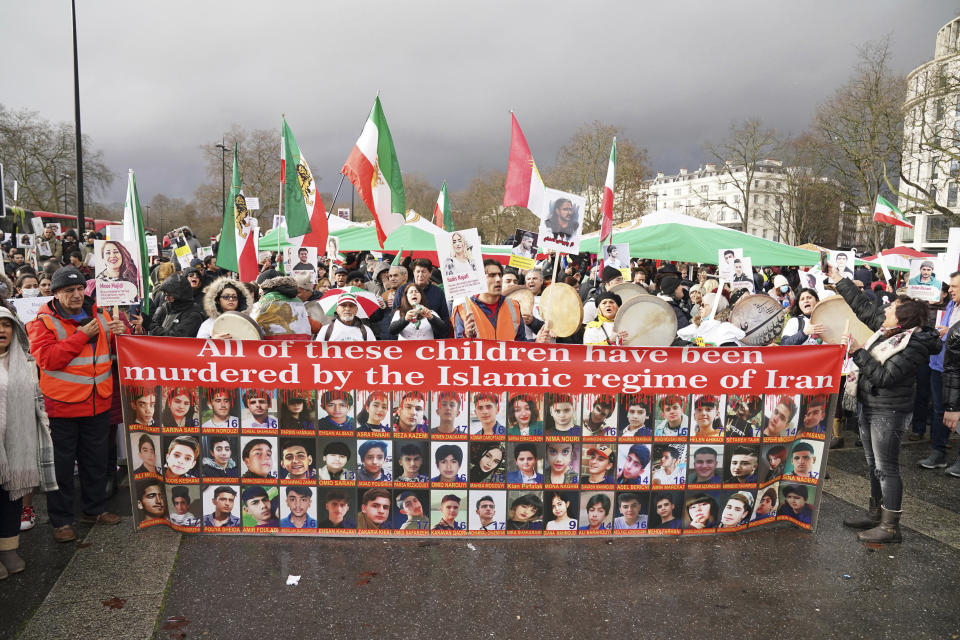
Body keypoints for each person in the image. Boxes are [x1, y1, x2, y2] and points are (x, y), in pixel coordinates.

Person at [830, 266, 940, 543]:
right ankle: (875, 513)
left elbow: (885, 377)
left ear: (902, 320)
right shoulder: (887, 331)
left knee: (886, 466)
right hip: (870, 404)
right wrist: (839, 280)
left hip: (887, 410)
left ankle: (890, 527)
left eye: (891, 309)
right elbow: (864, 309)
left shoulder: (913, 344)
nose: (886, 310)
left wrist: (857, 351)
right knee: (873, 464)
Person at [28, 266, 126, 542]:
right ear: (56, 293)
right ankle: (61, 521)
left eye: (80, 289)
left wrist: (122, 332)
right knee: (61, 467)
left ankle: (93, 510)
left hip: (98, 403)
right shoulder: (43, 322)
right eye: (69, 290)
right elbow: (48, 360)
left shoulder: (101, 313)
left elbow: (115, 351)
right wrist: (82, 335)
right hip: (62, 406)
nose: (76, 294)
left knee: (94, 462)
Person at [0, 306, 56, 577]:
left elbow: (37, 401)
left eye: (6, 324)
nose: (2, 330)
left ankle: (9, 549)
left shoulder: (26, 361)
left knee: (12, 497)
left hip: (18, 443)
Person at [453, 260, 530, 341]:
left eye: (500, 275)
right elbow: (459, 347)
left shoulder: (514, 306)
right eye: (492, 275)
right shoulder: (463, 310)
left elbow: (521, 343)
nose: (498, 279)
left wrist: (537, 342)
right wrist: (466, 336)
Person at [145, 274, 205, 338]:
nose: (165, 298)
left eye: (169, 295)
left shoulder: (193, 315)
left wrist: (150, 325)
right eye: (165, 295)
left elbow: (174, 338)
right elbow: (152, 331)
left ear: (179, 295)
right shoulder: (165, 308)